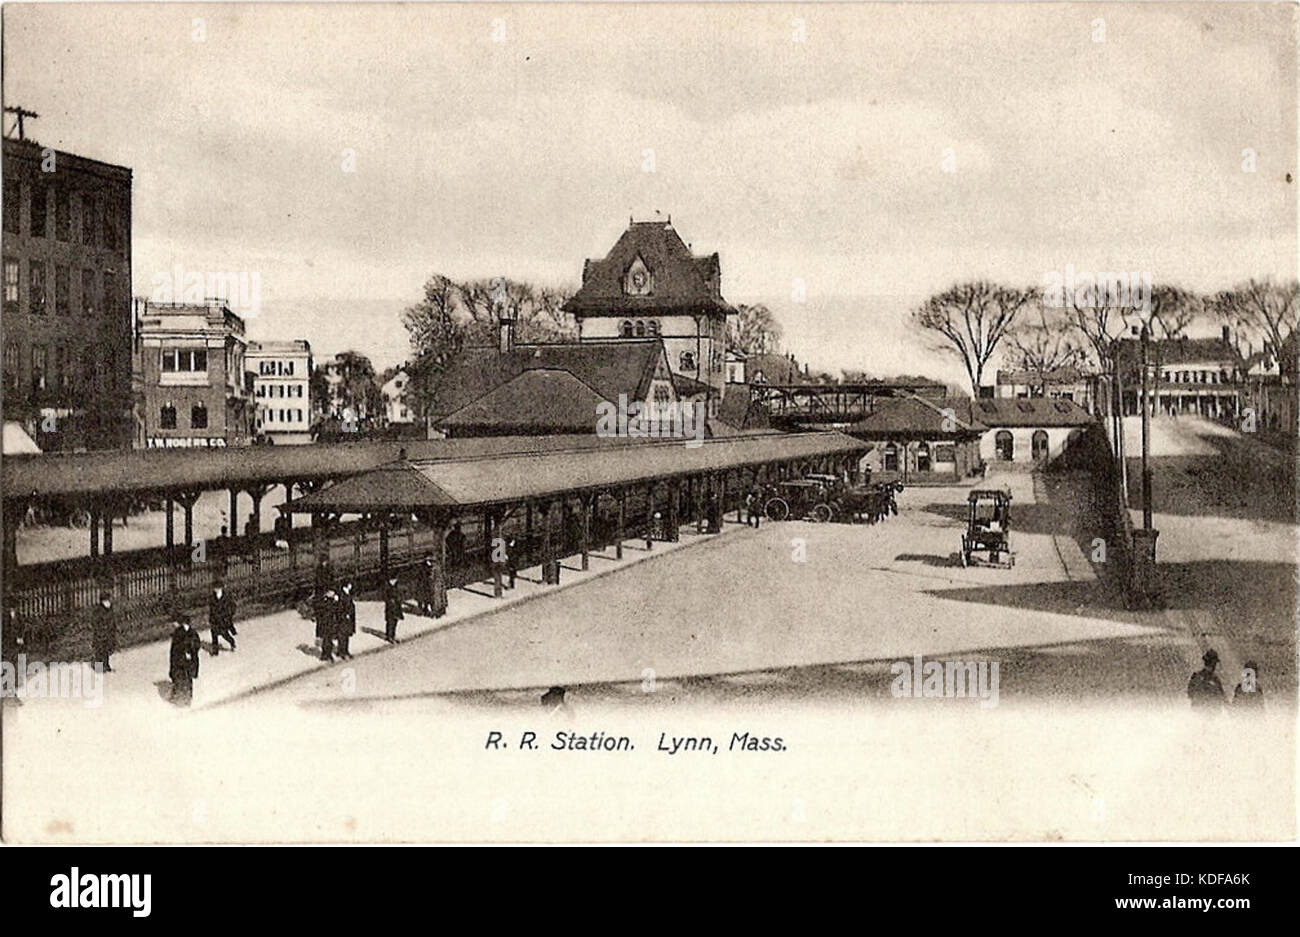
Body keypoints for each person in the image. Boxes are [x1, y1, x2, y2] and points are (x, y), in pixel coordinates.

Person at [168, 614, 201, 707]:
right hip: (184, 660)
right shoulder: (192, 632)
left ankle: (182, 700)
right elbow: (196, 645)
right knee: (185, 679)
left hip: (182, 660)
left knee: (183, 679)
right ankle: (184, 699)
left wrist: (189, 652)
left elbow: (176, 648)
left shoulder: (180, 633)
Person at [208, 580, 237, 656]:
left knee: (224, 634)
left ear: (221, 588)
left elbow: (233, 606)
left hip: (223, 619)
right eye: (214, 588)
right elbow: (211, 608)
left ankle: (232, 642)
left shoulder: (227, 596)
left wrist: (229, 615)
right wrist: (211, 618)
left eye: (217, 588)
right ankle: (215, 651)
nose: (215, 590)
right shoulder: (212, 597)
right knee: (214, 634)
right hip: (215, 619)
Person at [91, 591, 117, 672]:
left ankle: (106, 666)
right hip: (100, 634)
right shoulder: (98, 611)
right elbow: (95, 623)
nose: (108, 602)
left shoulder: (110, 609)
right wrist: (101, 630)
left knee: (107, 650)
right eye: (106, 600)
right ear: (102, 601)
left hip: (108, 633)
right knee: (99, 652)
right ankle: (99, 669)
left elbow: (112, 620)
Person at [337, 581, 356, 659]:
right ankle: (342, 652)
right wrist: (345, 614)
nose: (351, 585)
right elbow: (340, 607)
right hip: (343, 618)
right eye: (349, 584)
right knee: (343, 635)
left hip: (348, 617)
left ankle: (345, 650)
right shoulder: (341, 595)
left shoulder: (347, 593)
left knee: (346, 634)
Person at [318, 588, 338, 662]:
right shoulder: (325, 602)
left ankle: (325, 654)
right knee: (327, 639)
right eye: (331, 592)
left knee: (327, 639)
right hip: (326, 623)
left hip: (329, 623)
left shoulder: (329, 601)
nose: (333, 593)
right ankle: (327, 655)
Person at [383, 574, 404, 644]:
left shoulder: (396, 586)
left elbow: (399, 595)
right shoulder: (388, 587)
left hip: (396, 607)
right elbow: (386, 598)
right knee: (390, 622)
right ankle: (389, 636)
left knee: (395, 621)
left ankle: (393, 635)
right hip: (391, 608)